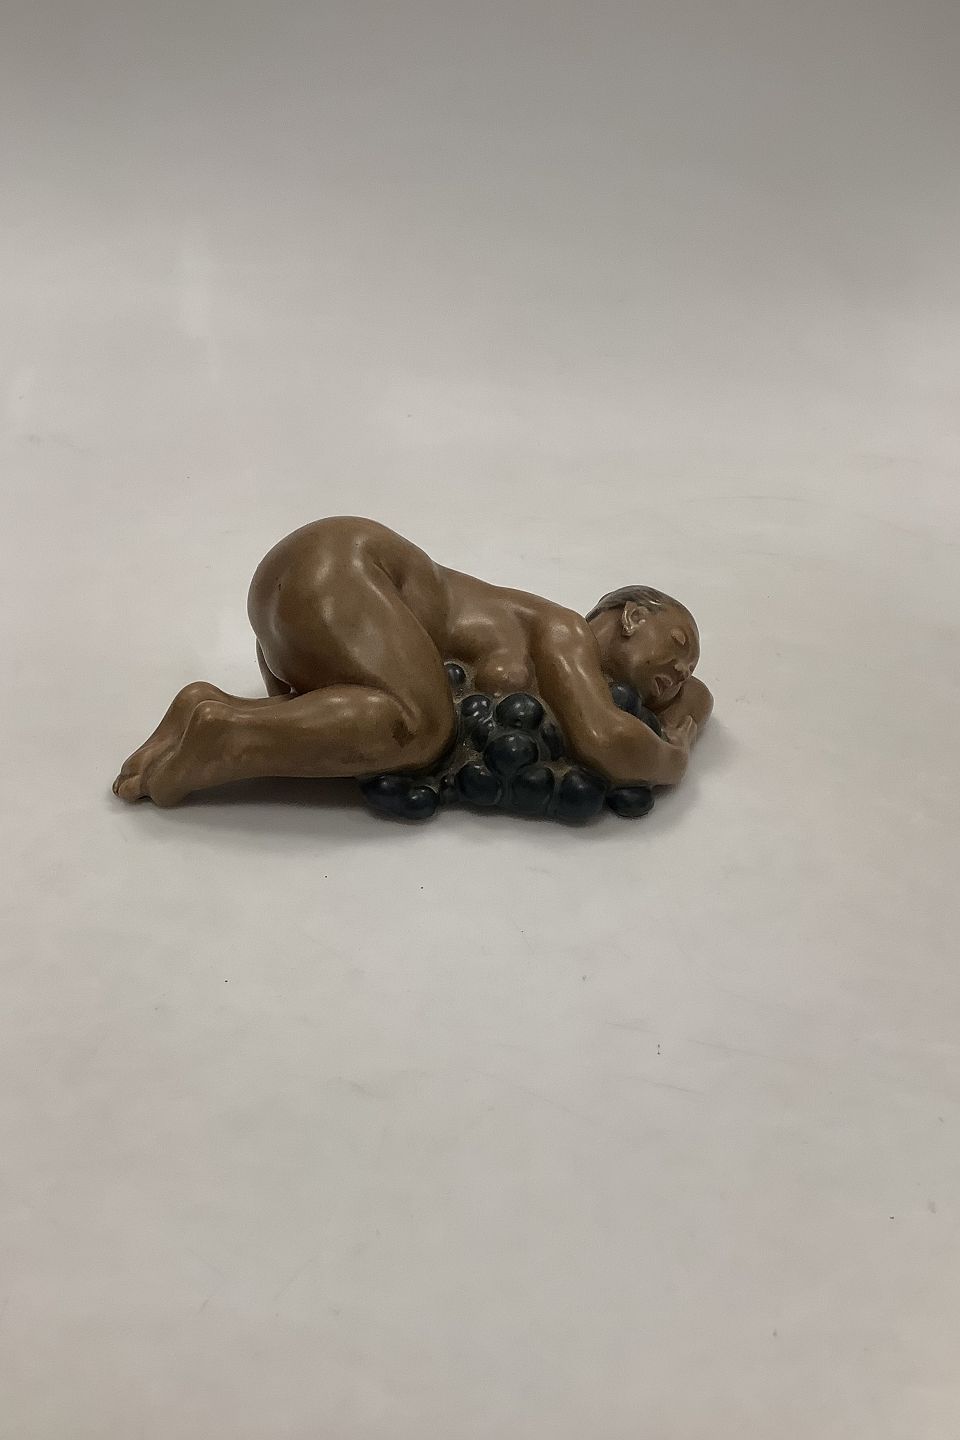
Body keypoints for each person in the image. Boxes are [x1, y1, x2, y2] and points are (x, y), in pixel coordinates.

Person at [113, 516, 713, 807]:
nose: (682, 670)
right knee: (420, 727)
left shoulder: (547, 650)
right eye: (679, 642)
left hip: (300, 597)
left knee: (378, 715)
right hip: (350, 569)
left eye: (686, 668)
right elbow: (608, 741)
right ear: (633, 616)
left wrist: (683, 701)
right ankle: (226, 736)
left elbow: (696, 697)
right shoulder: (563, 631)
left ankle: (203, 709)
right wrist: (675, 756)